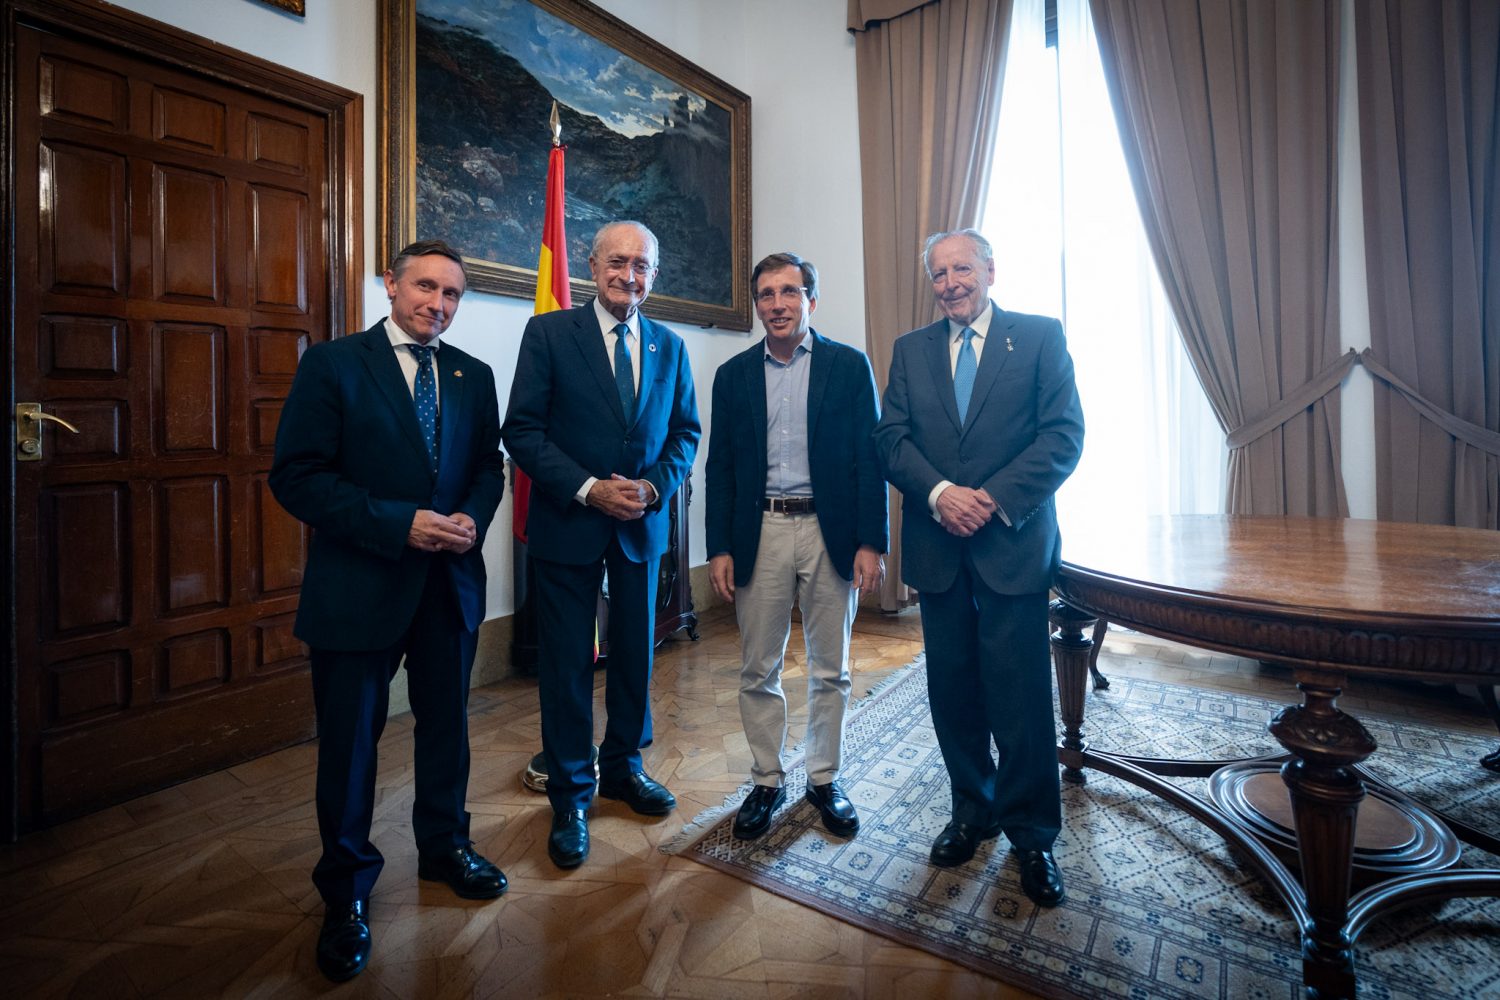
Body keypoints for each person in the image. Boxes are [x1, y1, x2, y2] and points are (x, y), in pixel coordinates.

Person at [269, 240, 508, 982]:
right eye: (425, 287)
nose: (438, 303)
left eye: (452, 293)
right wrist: (397, 523)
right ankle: (346, 893)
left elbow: (487, 468)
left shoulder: (473, 374)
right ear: (391, 285)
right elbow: (297, 478)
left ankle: (445, 847)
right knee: (350, 748)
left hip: (448, 586)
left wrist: (472, 518)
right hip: (358, 589)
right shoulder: (333, 365)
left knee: (447, 731)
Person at [873, 228, 1083, 907]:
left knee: (1019, 695)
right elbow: (891, 439)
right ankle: (972, 810)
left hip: (1011, 544)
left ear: (990, 270)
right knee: (953, 688)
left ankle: (1032, 835)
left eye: (961, 269)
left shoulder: (1039, 337)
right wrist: (940, 494)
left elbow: (1063, 435)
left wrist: (989, 499)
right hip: (938, 549)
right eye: (939, 274)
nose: (951, 284)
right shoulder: (911, 350)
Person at [501, 221, 700, 869]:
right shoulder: (550, 334)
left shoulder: (670, 345)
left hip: (640, 525)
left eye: (641, 265)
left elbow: (685, 434)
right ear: (591, 266)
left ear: (654, 275)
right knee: (565, 664)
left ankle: (623, 767)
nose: (628, 275)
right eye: (617, 262)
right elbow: (522, 431)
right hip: (569, 522)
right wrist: (590, 490)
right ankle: (569, 794)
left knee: (637, 655)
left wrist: (653, 486)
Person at [705, 252, 887, 840]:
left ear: (811, 299)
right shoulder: (733, 375)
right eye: (766, 294)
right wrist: (719, 546)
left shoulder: (848, 366)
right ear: (757, 304)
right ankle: (766, 780)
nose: (777, 304)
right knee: (758, 666)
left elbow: (869, 460)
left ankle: (823, 778)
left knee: (831, 667)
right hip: (759, 531)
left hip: (828, 532)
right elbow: (720, 467)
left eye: (789, 292)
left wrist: (871, 542)